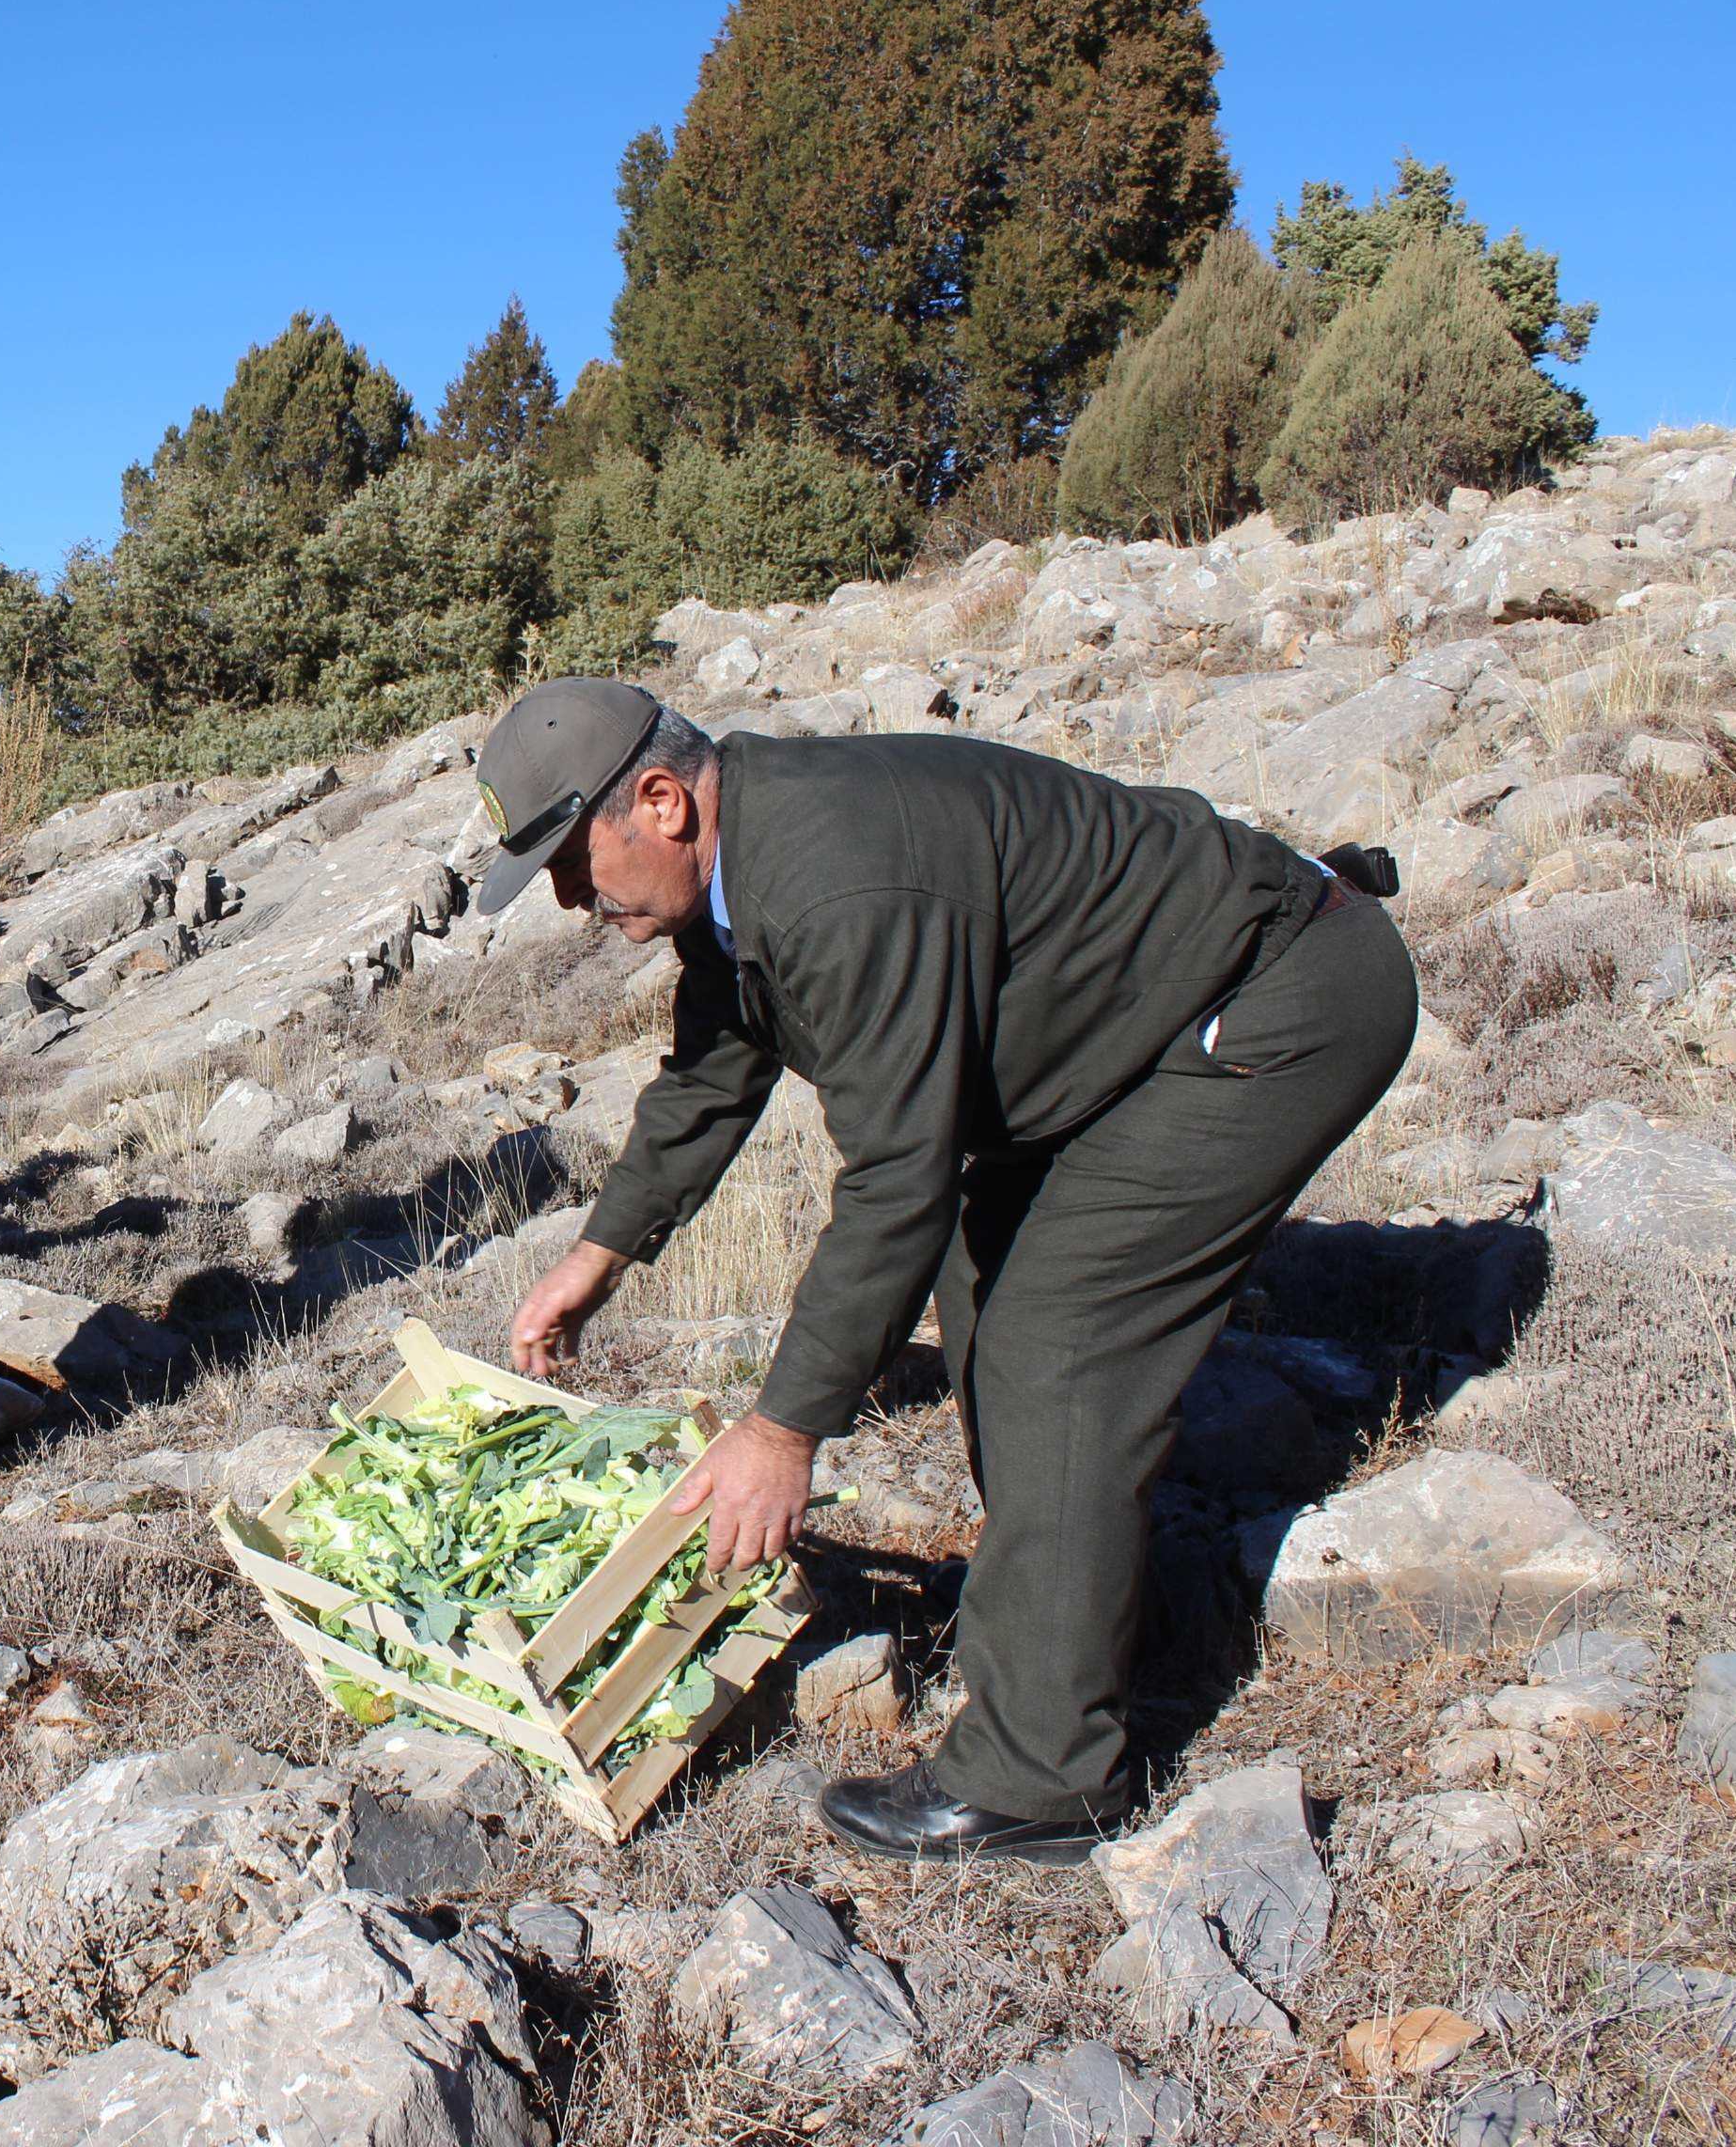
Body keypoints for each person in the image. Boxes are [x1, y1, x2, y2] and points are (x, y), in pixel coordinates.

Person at [480, 677, 1414, 1863]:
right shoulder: (746, 853)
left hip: (1277, 1006)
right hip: (1158, 1025)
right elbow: (715, 1069)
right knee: (992, 1285)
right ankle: (1073, 1620)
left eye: (571, 859)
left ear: (659, 802)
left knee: (1056, 1335)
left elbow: (897, 1184)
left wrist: (782, 1430)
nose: (570, 898)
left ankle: (1044, 1774)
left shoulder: (833, 882)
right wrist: (598, 1257)